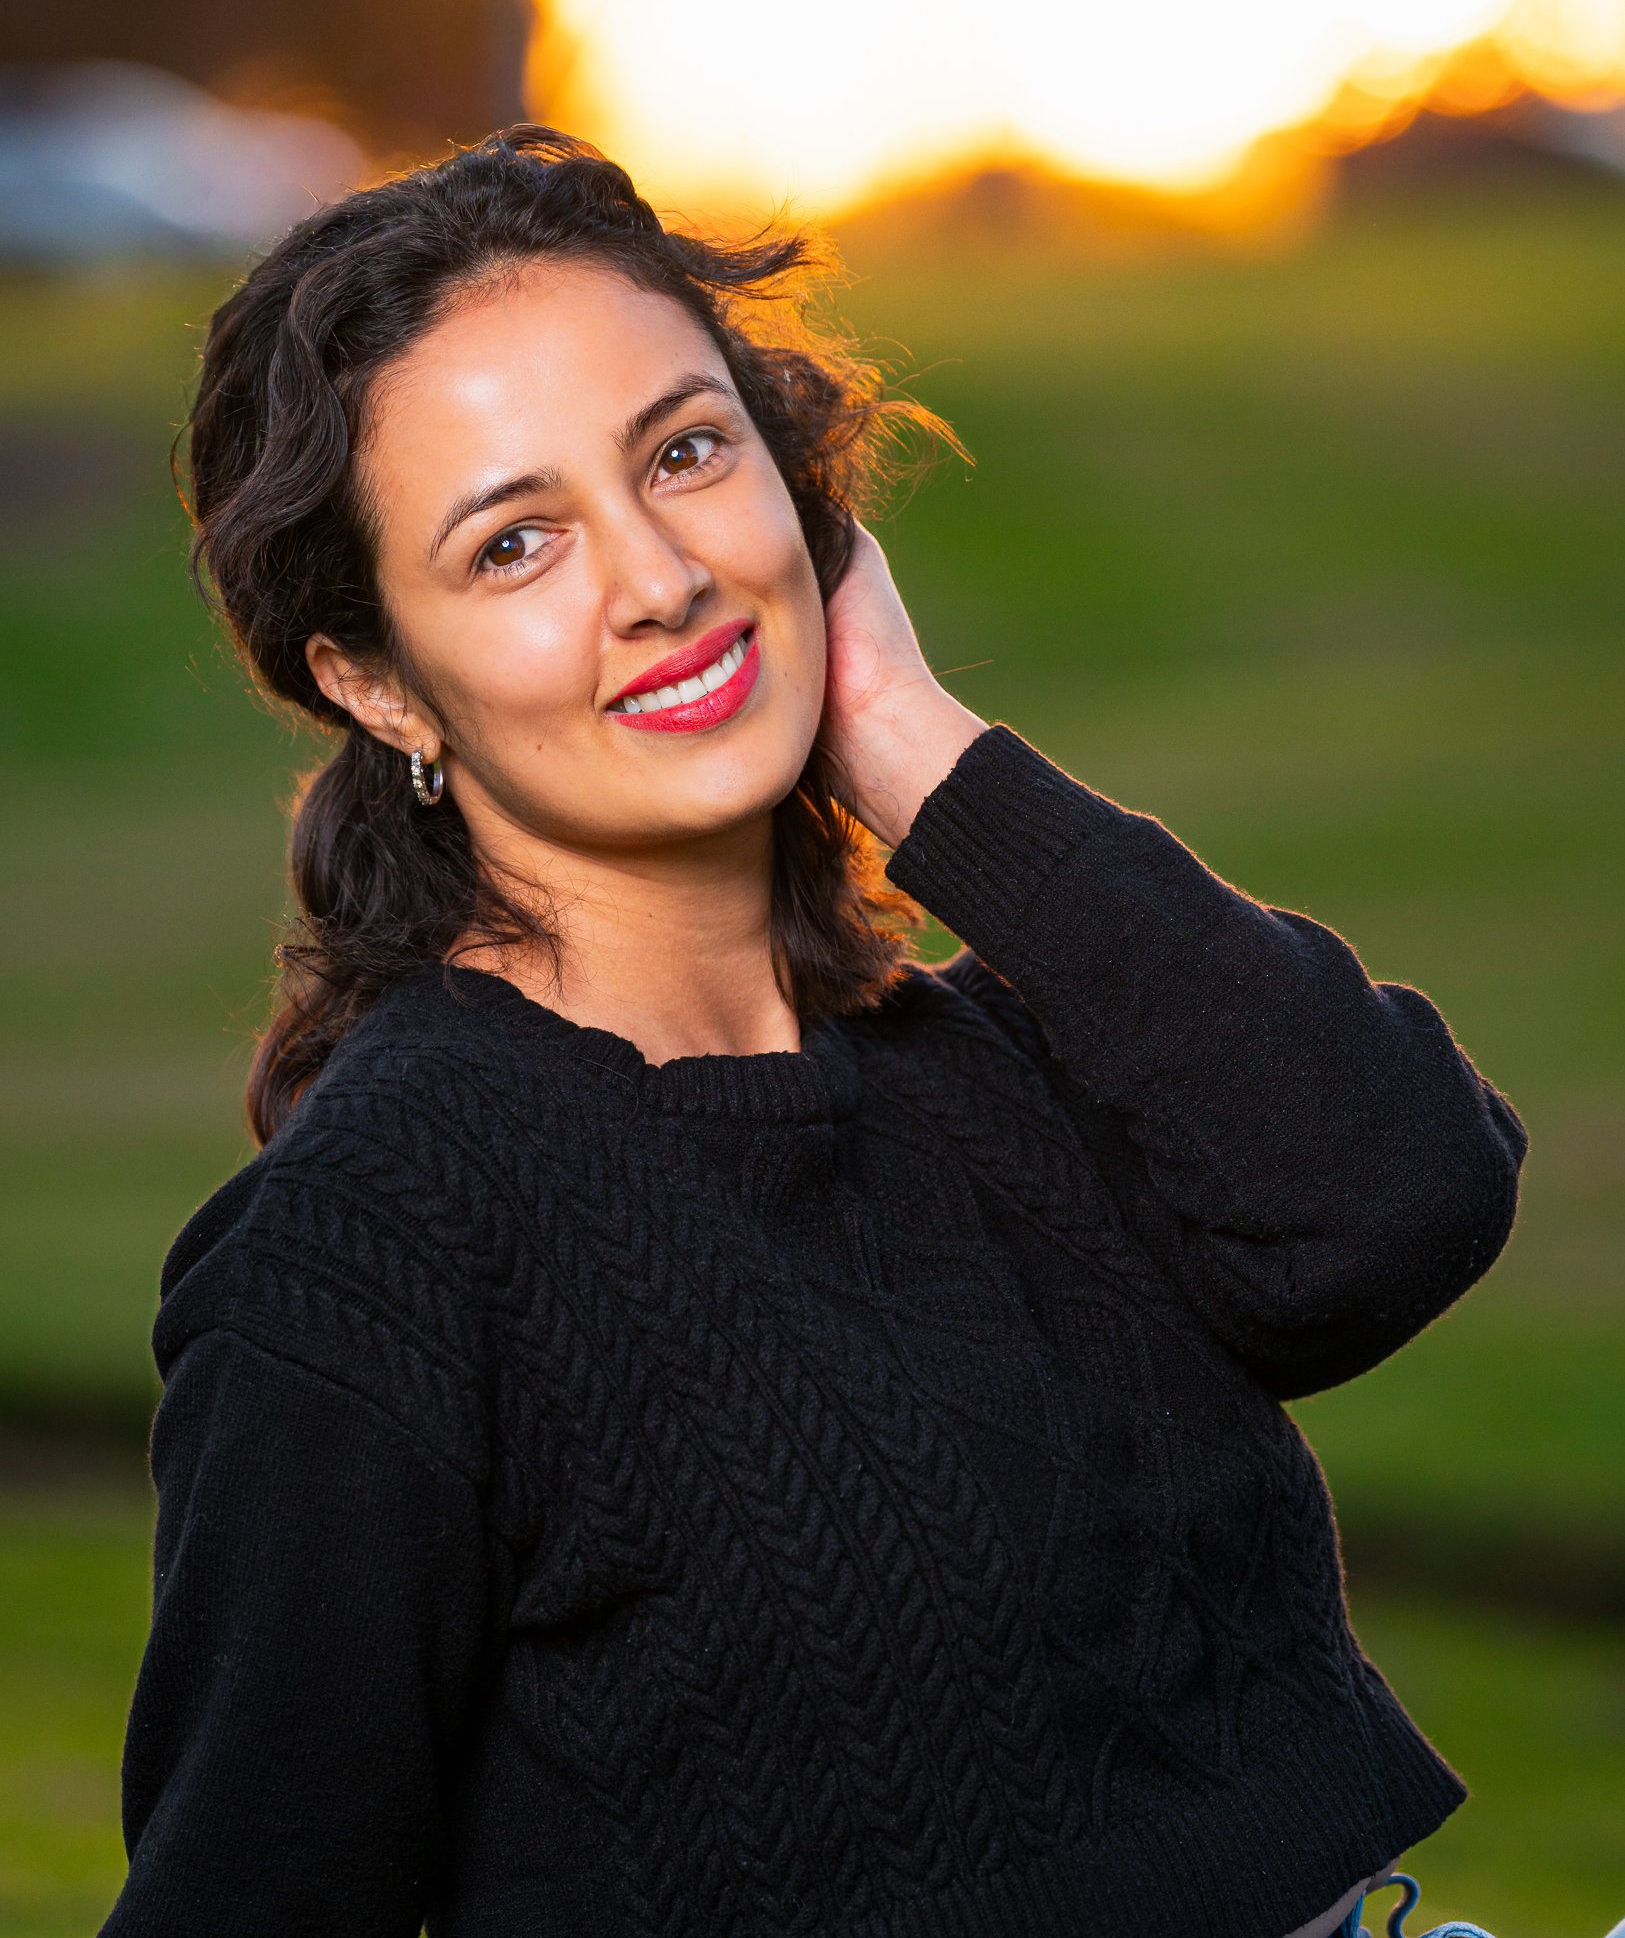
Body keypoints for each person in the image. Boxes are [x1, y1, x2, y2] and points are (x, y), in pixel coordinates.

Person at [100, 125, 1528, 1938]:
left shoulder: (993, 1065)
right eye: (516, 542)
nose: (658, 577)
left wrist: (903, 735)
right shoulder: (376, 1247)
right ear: (375, 681)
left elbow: (1398, 1196)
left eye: (685, 454)